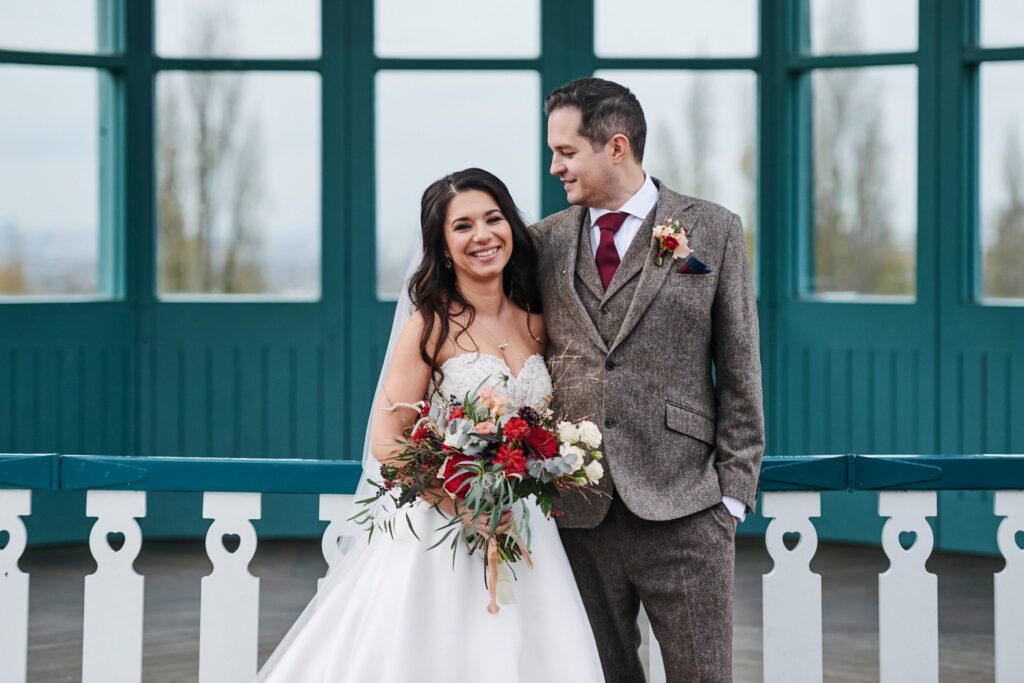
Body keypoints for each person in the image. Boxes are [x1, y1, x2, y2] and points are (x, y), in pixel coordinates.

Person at [254, 168, 604, 682]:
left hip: (527, 528)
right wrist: (462, 505)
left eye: (493, 218)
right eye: (463, 227)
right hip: (440, 532)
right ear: (442, 247)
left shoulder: (537, 320)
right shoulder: (431, 323)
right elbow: (388, 441)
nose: (483, 235)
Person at [533, 77, 765, 682]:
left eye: (565, 151)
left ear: (615, 147)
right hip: (578, 511)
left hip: (686, 507)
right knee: (599, 675)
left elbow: (740, 364)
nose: (554, 165)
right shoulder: (543, 242)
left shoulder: (711, 230)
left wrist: (732, 495)